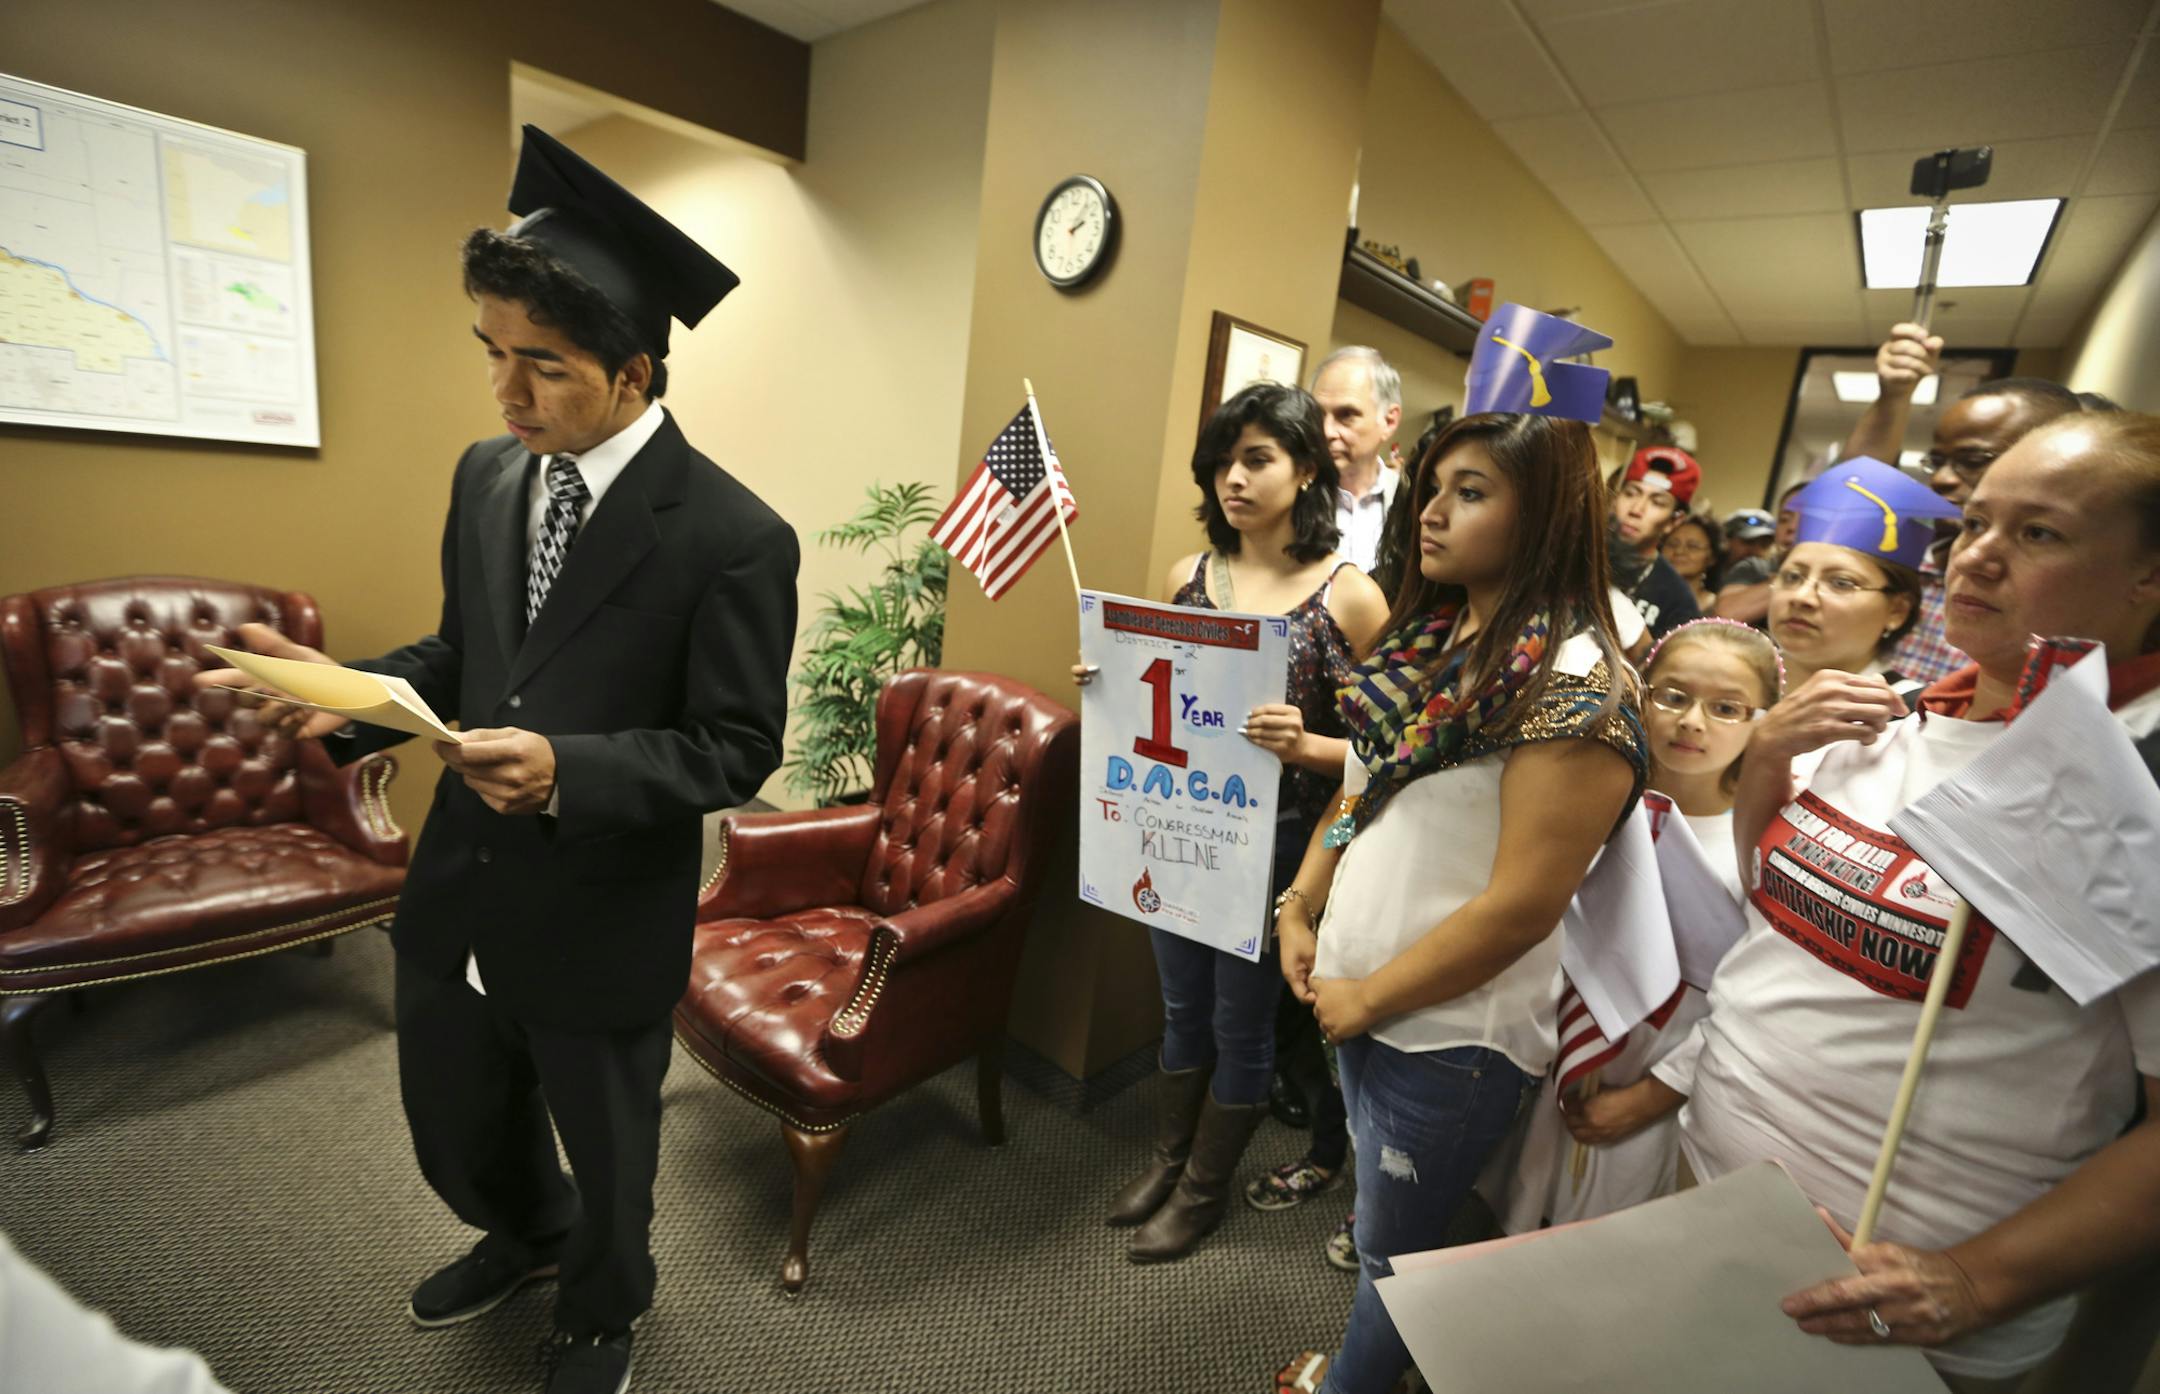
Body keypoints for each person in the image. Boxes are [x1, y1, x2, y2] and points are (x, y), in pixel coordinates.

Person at [198, 127, 799, 1394]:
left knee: (614, 1149)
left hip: (598, 910)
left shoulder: (736, 537)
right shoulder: (487, 477)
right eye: (492, 354)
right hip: (460, 880)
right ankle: (527, 1233)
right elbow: (464, 654)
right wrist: (345, 700)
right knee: (454, 1125)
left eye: (545, 366)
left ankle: (601, 1306)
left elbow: (737, 746)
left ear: (635, 373)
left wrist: (571, 768)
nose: (507, 394)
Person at [1638, 410, 2160, 1391]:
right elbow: (1775, 914)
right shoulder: (1880, 718)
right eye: (1977, 524)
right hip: (1708, 1197)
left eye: (2038, 533)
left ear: (2151, 576)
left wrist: (1974, 1278)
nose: (1979, 558)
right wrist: (1769, 769)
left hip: (1897, 1315)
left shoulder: (2137, 787)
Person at [1272, 306, 1648, 1394]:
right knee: (1384, 1228)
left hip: (1446, 1029)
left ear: (1546, 513)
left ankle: (1350, 1386)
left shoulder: (1575, 682)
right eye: (1434, 485)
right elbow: (1363, 785)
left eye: (1471, 491)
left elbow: (1521, 906)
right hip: (1360, 992)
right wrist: (1302, 901)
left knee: (1400, 1255)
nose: (1432, 511)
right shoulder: (1437, 636)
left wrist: (1369, 993)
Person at [1079, 382, 1388, 1264]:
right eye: (1222, 461)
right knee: (1180, 1008)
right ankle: (1170, 1161)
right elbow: (1161, 688)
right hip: (1177, 823)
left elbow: (1392, 753)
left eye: (1257, 459)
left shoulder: (1350, 597)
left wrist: (1312, 746)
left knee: (1241, 1023)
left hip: (1279, 840)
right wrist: (1108, 678)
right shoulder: (1189, 574)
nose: (1234, 478)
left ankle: (1204, 1192)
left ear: (1307, 470)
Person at [1492, 619, 1780, 1233]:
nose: (1692, 721)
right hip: (1549, 1049)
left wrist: (1654, 1094)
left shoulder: (1757, 847)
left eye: (1727, 708)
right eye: (1671, 695)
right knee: (1519, 1204)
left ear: (1763, 723)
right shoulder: (1590, 801)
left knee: (1605, 1241)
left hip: (1659, 1075)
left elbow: (1750, 998)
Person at [1838, 324, 2085, 686]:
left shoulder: (2073, 589)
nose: (1942, 479)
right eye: (1937, 462)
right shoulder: (1911, 556)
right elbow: (1854, 492)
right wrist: (1894, 396)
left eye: (1973, 460)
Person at [1767, 456, 1959, 702]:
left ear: (1897, 611)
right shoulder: (1728, 679)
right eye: (1793, 576)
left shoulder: (1908, 717)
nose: (1801, 597)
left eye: (1841, 583)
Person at [1311, 347, 1405, 574]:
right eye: (1318, 414)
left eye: (1346, 415)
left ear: (1389, 421)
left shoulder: (1412, 500)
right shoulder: (1289, 496)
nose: (1327, 431)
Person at [1609, 445, 1704, 639]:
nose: (1636, 509)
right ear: (1614, 499)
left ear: (1673, 521)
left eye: (1657, 502)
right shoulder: (1573, 556)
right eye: (1631, 493)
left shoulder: (1678, 601)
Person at [1715, 479, 1806, 625]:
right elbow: (1727, 614)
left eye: (1806, 519)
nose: (1791, 527)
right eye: (1784, 519)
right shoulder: (1755, 568)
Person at [1662, 512, 1724, 616]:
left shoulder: (1718, 608)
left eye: (1692, 546)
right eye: (1672, 544)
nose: (1679, 551)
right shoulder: (1642, 594)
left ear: (1712, 558)